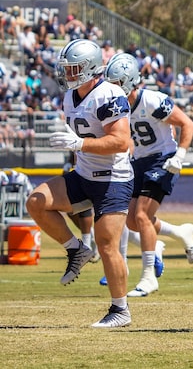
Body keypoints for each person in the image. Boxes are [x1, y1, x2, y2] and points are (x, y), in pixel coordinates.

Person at [25, 39, 133, 328]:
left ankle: (120, 310)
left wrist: (80, 143)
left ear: (90, 67)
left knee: (107, 244)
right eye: (67, 68)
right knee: (36, 201)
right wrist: (75, 145)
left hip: (113, 180)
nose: (69, 73)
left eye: (73, 68)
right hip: (84, 175)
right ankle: (76, 249)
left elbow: (122, 141)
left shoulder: (109, 93)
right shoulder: (70, 96)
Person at [105, 53, 193, 296]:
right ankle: (179, 232)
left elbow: (187, 123)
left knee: (142, 215)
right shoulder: (119, 107)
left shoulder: (153, 100)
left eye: (115, 84)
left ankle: (148, 276)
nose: (111, 90)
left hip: (163, 157)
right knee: (132, 220)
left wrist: (180, 155)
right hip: (141, 160)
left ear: (128, 81)